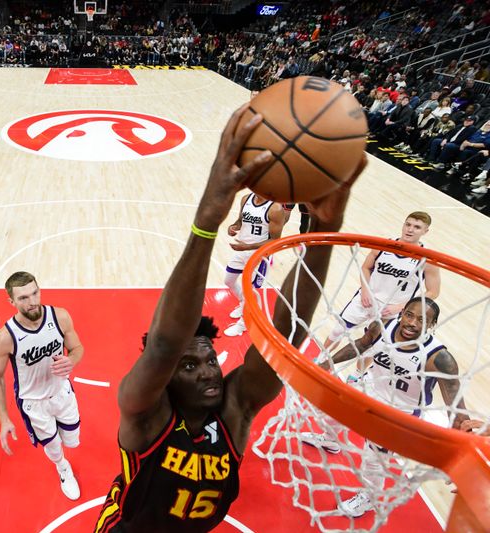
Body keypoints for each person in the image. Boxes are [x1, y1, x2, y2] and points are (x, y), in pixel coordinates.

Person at [94, 105, 367, 532]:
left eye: (209, 360)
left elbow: (284, 338)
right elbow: (165, 344)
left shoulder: (234, 409)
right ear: (165, 378)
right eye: (189, 366)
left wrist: (321, 234)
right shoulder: (145, 415)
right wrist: (206, 223)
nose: (209, 371)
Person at [307, 298, 468, 518]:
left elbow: (457, 407)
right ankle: (330, 439)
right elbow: (362, 345)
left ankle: (370, 498)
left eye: (422, 320)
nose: (412, 323)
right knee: (334, 408)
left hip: (399, 411)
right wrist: (327, 363)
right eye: (410, 315)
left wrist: (461, 453)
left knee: (373, 461)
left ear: (432, 325)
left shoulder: (439, 358)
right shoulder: (383, 326)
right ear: (402, 313)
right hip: (368, 387)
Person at [0, 271, 84, 500]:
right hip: (34, 403)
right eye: (23, 298)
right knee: (53, 446)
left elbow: (78, 348)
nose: (32, 302)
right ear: (11, 301)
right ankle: (63, 468)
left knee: (72, 440)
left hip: (62, 393)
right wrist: (4, 419)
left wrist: (71, 360)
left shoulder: (60, 317)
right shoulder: (6, 337)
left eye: (35, 293)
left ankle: (62, 452)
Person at [323, 211, 441, 354]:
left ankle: (357, 375)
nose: (410, 229)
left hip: (393, 309)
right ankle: (320, 359)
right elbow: (366, 268)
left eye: (416, 227)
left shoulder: (427, 259)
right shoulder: (384, 245)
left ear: (425, 231)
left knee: (373, 344)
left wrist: (400, 307)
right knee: (338, 330)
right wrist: (365, 291)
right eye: (408, 224)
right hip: (367, 298)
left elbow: (433, 292)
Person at [223, 192, 285, 337]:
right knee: (229, 280)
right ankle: (242, 303)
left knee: (250, 291)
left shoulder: (275, 209)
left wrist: (248, 247)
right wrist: (233, 227)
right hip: (242, 250)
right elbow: (240, 221)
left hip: (259, 255)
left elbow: (275, 241)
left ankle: (243, 325)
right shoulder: (246, 199)